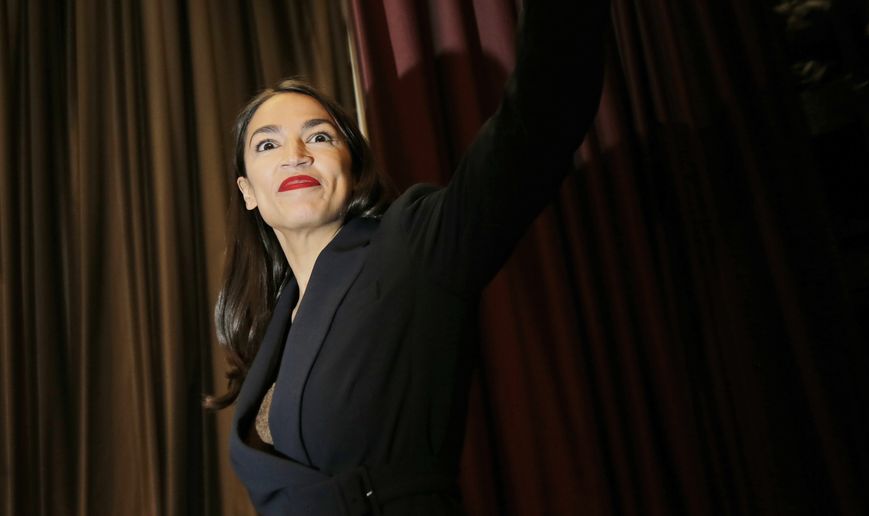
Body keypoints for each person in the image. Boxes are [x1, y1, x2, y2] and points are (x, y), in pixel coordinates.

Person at [207, 1, 609, 514]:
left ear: (353, 168)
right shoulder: (271, 326)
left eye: (319, 136)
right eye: (268, 145)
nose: (296, 155)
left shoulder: (409, 245)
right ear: (248, 192)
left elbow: (537, 123)